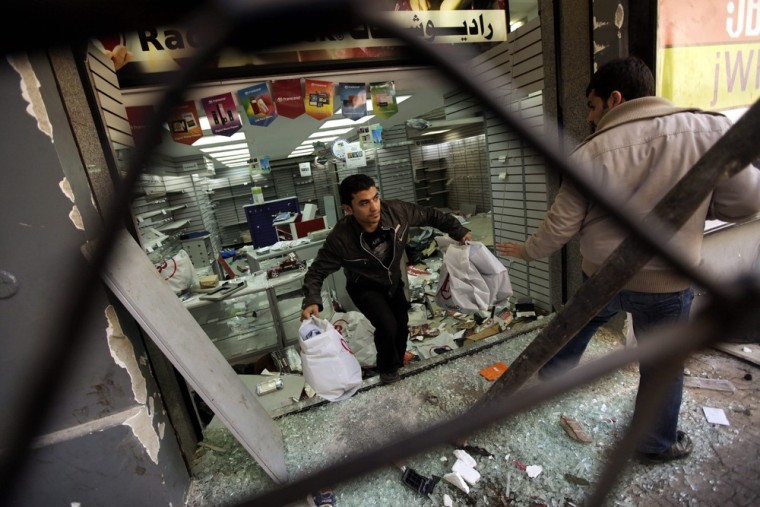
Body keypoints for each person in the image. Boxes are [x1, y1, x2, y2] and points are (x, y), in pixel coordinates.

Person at [496, 56, 760, 463]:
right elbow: (746, 202)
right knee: (661, 367)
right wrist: (700, 207)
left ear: (614, 99)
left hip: (602, 279)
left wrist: (529, 250)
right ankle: (654, 443)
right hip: (668, 284)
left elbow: (560, 227)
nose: (588, 117)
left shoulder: (589, 154)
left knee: (577, 322)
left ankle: (554, 372)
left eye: (592, 106)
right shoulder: (710, 130)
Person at [301, 173, 472, 384]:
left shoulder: (397, 212)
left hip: (392, 281)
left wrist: (459, 231)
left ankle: (398, 363)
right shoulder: (341, 238)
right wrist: (311, 299)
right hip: (364, 287)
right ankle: (387, 371)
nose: (374, 207)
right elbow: (317, 270)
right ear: (348, 208)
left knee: (401, 325)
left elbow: (431, 215)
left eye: (375, 198)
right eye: (364, 203)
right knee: (387, 326)